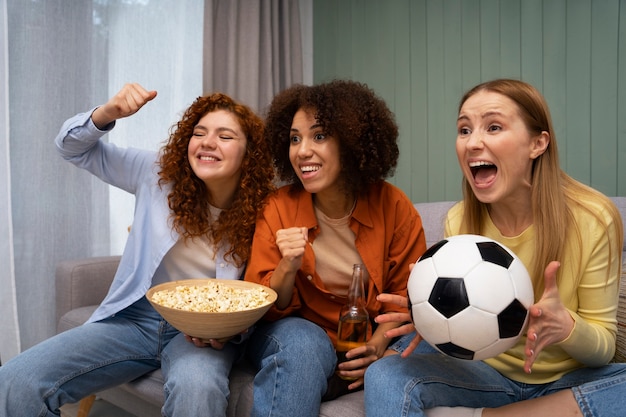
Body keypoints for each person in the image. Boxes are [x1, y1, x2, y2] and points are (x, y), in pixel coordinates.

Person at [0, 83, 275, 417]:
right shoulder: (156, 172)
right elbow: (72, 148)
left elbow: (260, 290)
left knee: (198, 388)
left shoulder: (265, 210)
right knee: (17, 380)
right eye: (199, 132)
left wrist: (231, 331)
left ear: (250, 152)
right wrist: (108, 113)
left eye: (225, 136)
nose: (207, 142)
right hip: (134, 319)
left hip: (200, 331)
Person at [364, 78, 626, 417]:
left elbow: (603, 351)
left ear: (537, 143)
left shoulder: (593, 218)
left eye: (494, 127)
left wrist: (567, 328)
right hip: (487, 375)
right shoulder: (458, 223)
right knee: (385, 373)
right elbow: (460, 341)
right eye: (464, 130)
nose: (473, 143)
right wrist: (428, 317)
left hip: (569, 379)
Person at [243, 79, 427, 417]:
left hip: (367, 335)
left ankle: (346, 376)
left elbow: (407, 299)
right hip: (299, 330)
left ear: (351, 141)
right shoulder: (278, 208)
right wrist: (288, 265)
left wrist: (376, 345)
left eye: (319, 136)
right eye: (294, 138)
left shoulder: (394, 206)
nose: (302, 151)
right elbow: (262, 307)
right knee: (301, 343)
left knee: (430, 342)